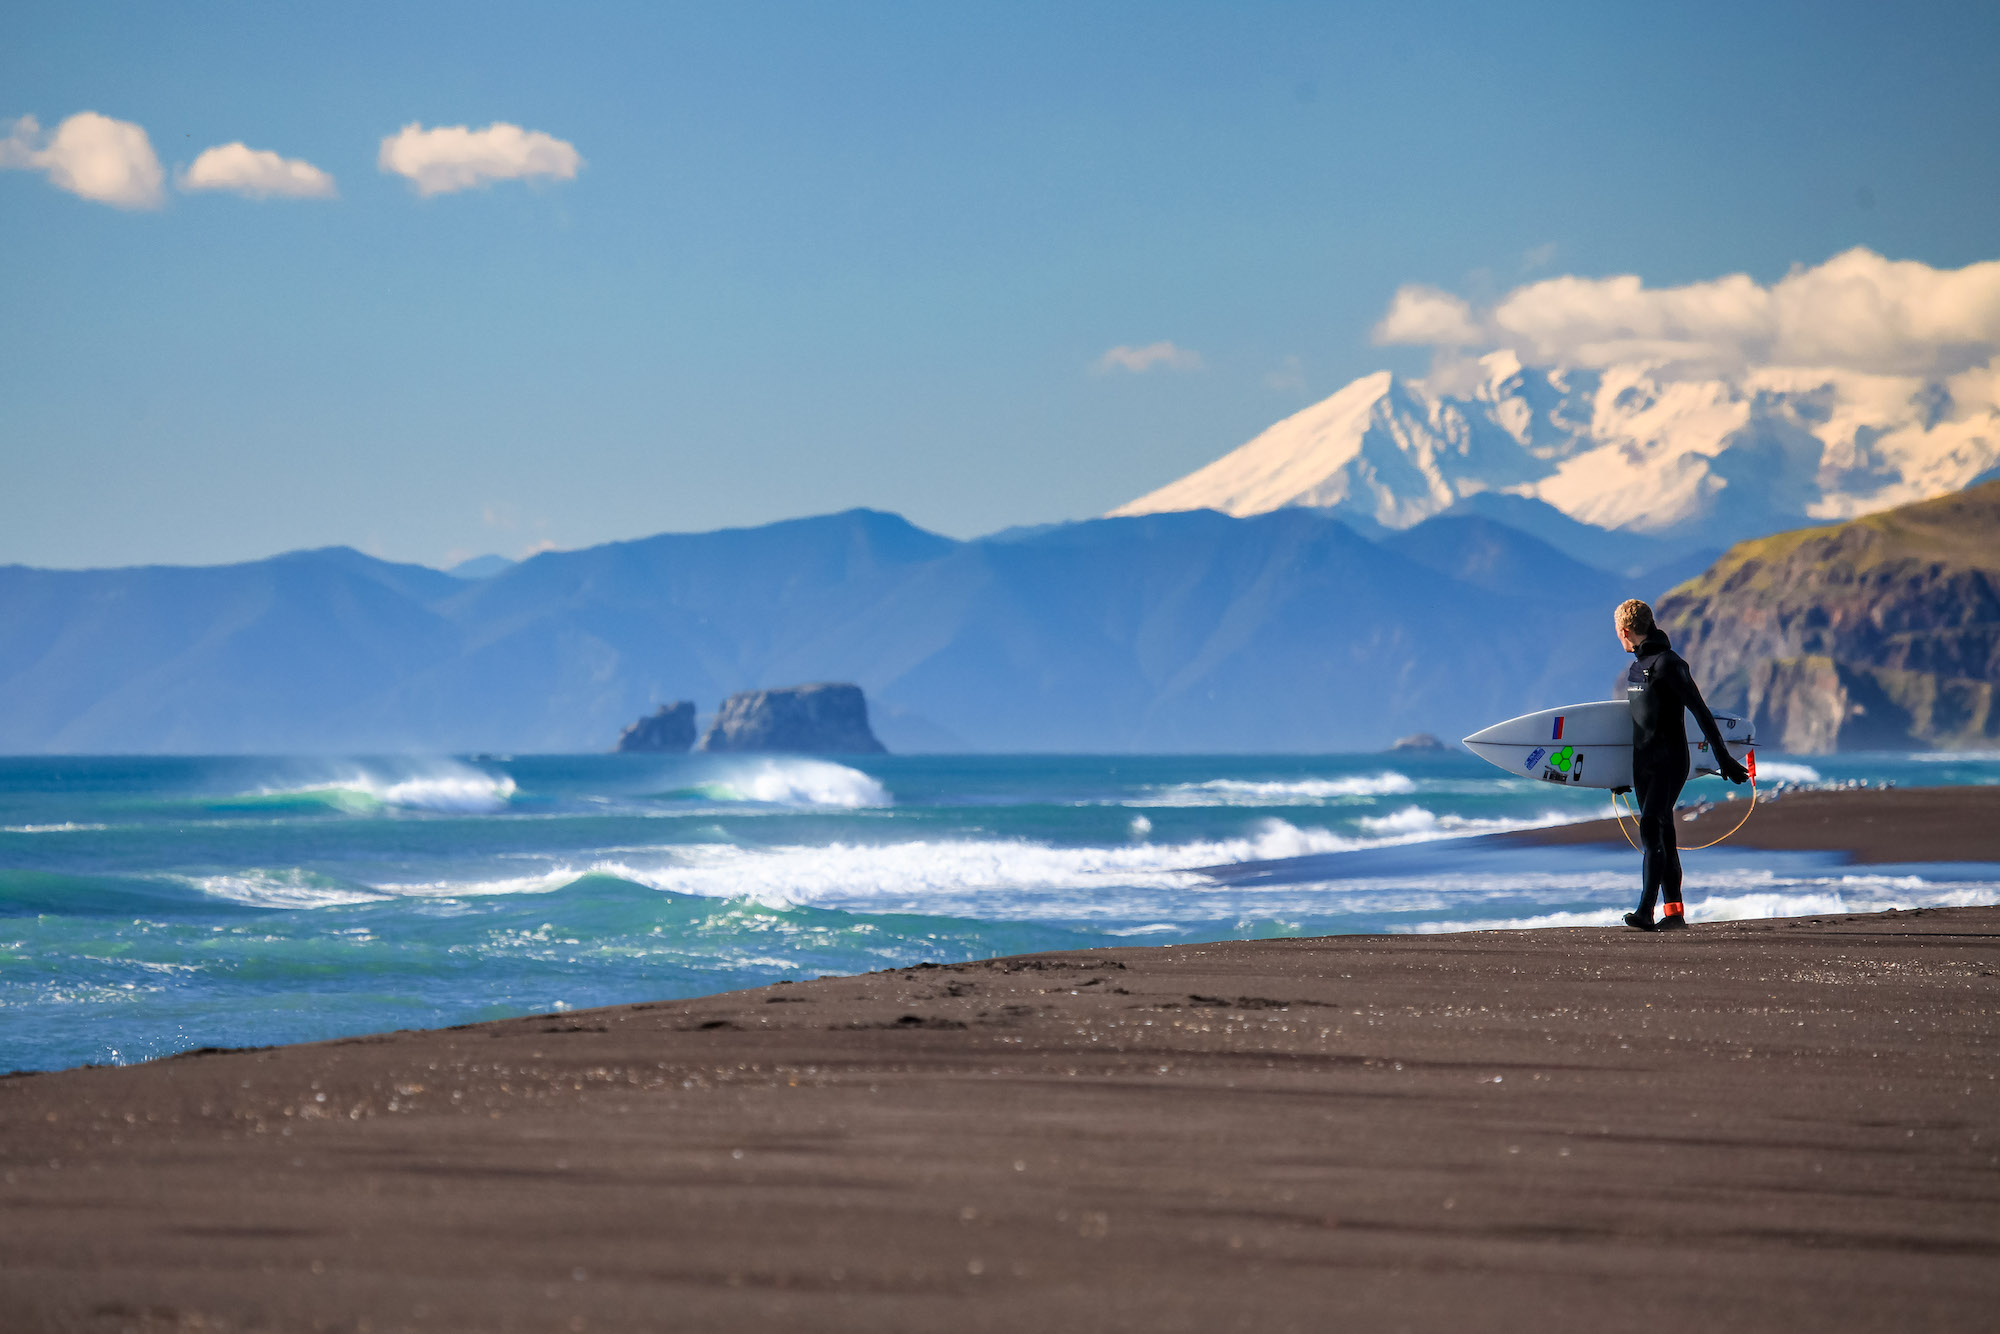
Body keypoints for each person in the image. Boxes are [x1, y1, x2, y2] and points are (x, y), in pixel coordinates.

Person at [1614, 599, 1748, 931]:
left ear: (1624, 631)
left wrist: (1724, 758)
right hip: (1642, 763)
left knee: (1651, 826)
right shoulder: (1636, 668)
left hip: (1669, 761)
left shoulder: (1669, 664)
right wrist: (1612, 774)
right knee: (1663, 834)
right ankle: (1674, 913)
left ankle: (1645, 911)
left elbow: (1700, 711)